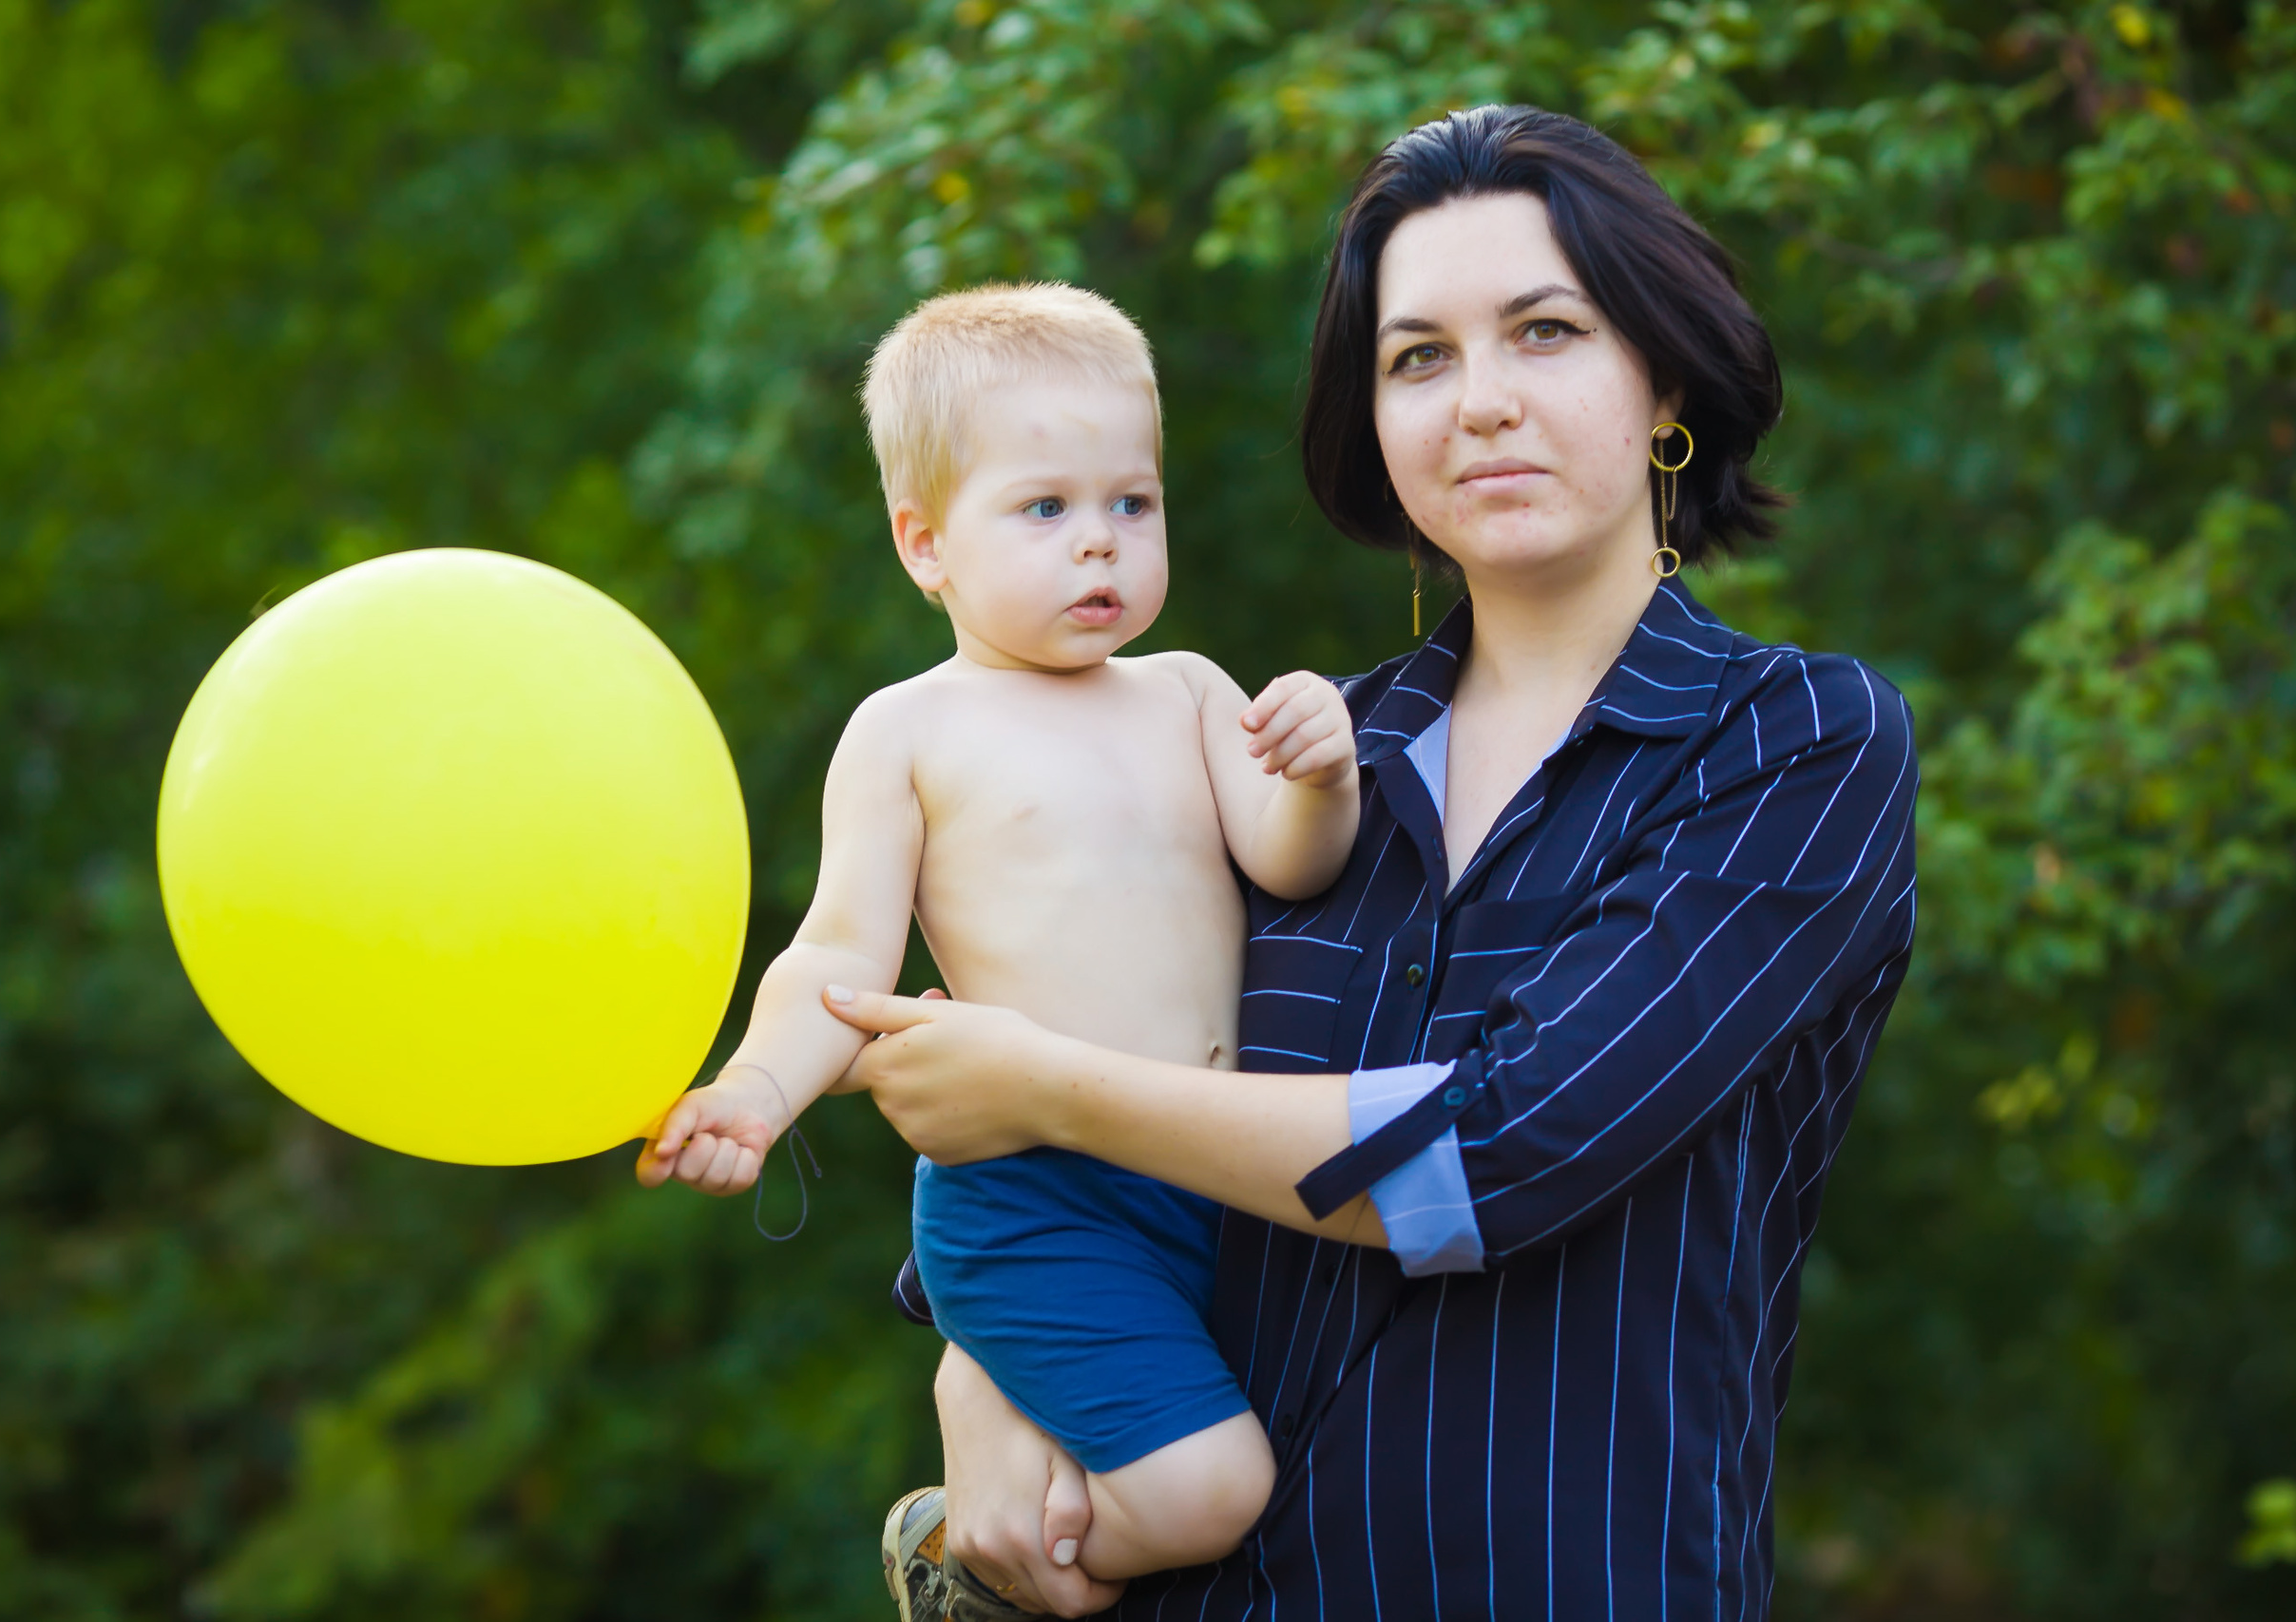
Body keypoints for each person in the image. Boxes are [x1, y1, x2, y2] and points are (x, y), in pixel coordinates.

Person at [827, 105, 1921, 1618]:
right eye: (1419, 358)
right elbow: (1076, 1117)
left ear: (1661, 376)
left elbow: (1497, 1154)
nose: (1480, 403)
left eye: (1546, 332)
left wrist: (1046, 1088)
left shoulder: (1793, 746)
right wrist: (977, 1375)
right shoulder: (1290, 760)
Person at [633, 283, 1369, 1613]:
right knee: (1214, 1492)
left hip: (1214, 1171)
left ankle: (1010, 1458)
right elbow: (839, 959)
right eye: (1046, 510)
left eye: (1131, 506)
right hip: (1040, 1199)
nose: (1101, 546)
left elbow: (1291, 862)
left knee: (1288, 1472)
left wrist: (1322, 769)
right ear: (926, 545)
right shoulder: (913, 729)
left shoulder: (1191, 692)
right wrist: (753, 1090)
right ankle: (972, 1568)